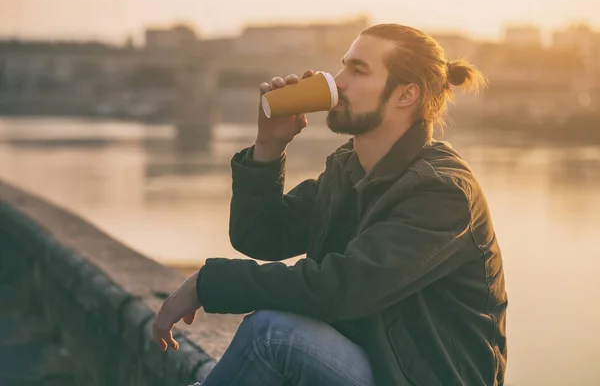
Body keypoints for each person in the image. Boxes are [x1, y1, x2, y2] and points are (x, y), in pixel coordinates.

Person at [152, 23, 508, 386]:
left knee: (272, 335)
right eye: (343, 66)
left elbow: (341, 289)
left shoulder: (440, 192)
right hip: (375, 363)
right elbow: (261, 236)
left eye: (358, 71)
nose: (338, 81)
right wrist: (269, 149)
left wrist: (206, 283)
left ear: (406, 95)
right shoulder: (349, 169)